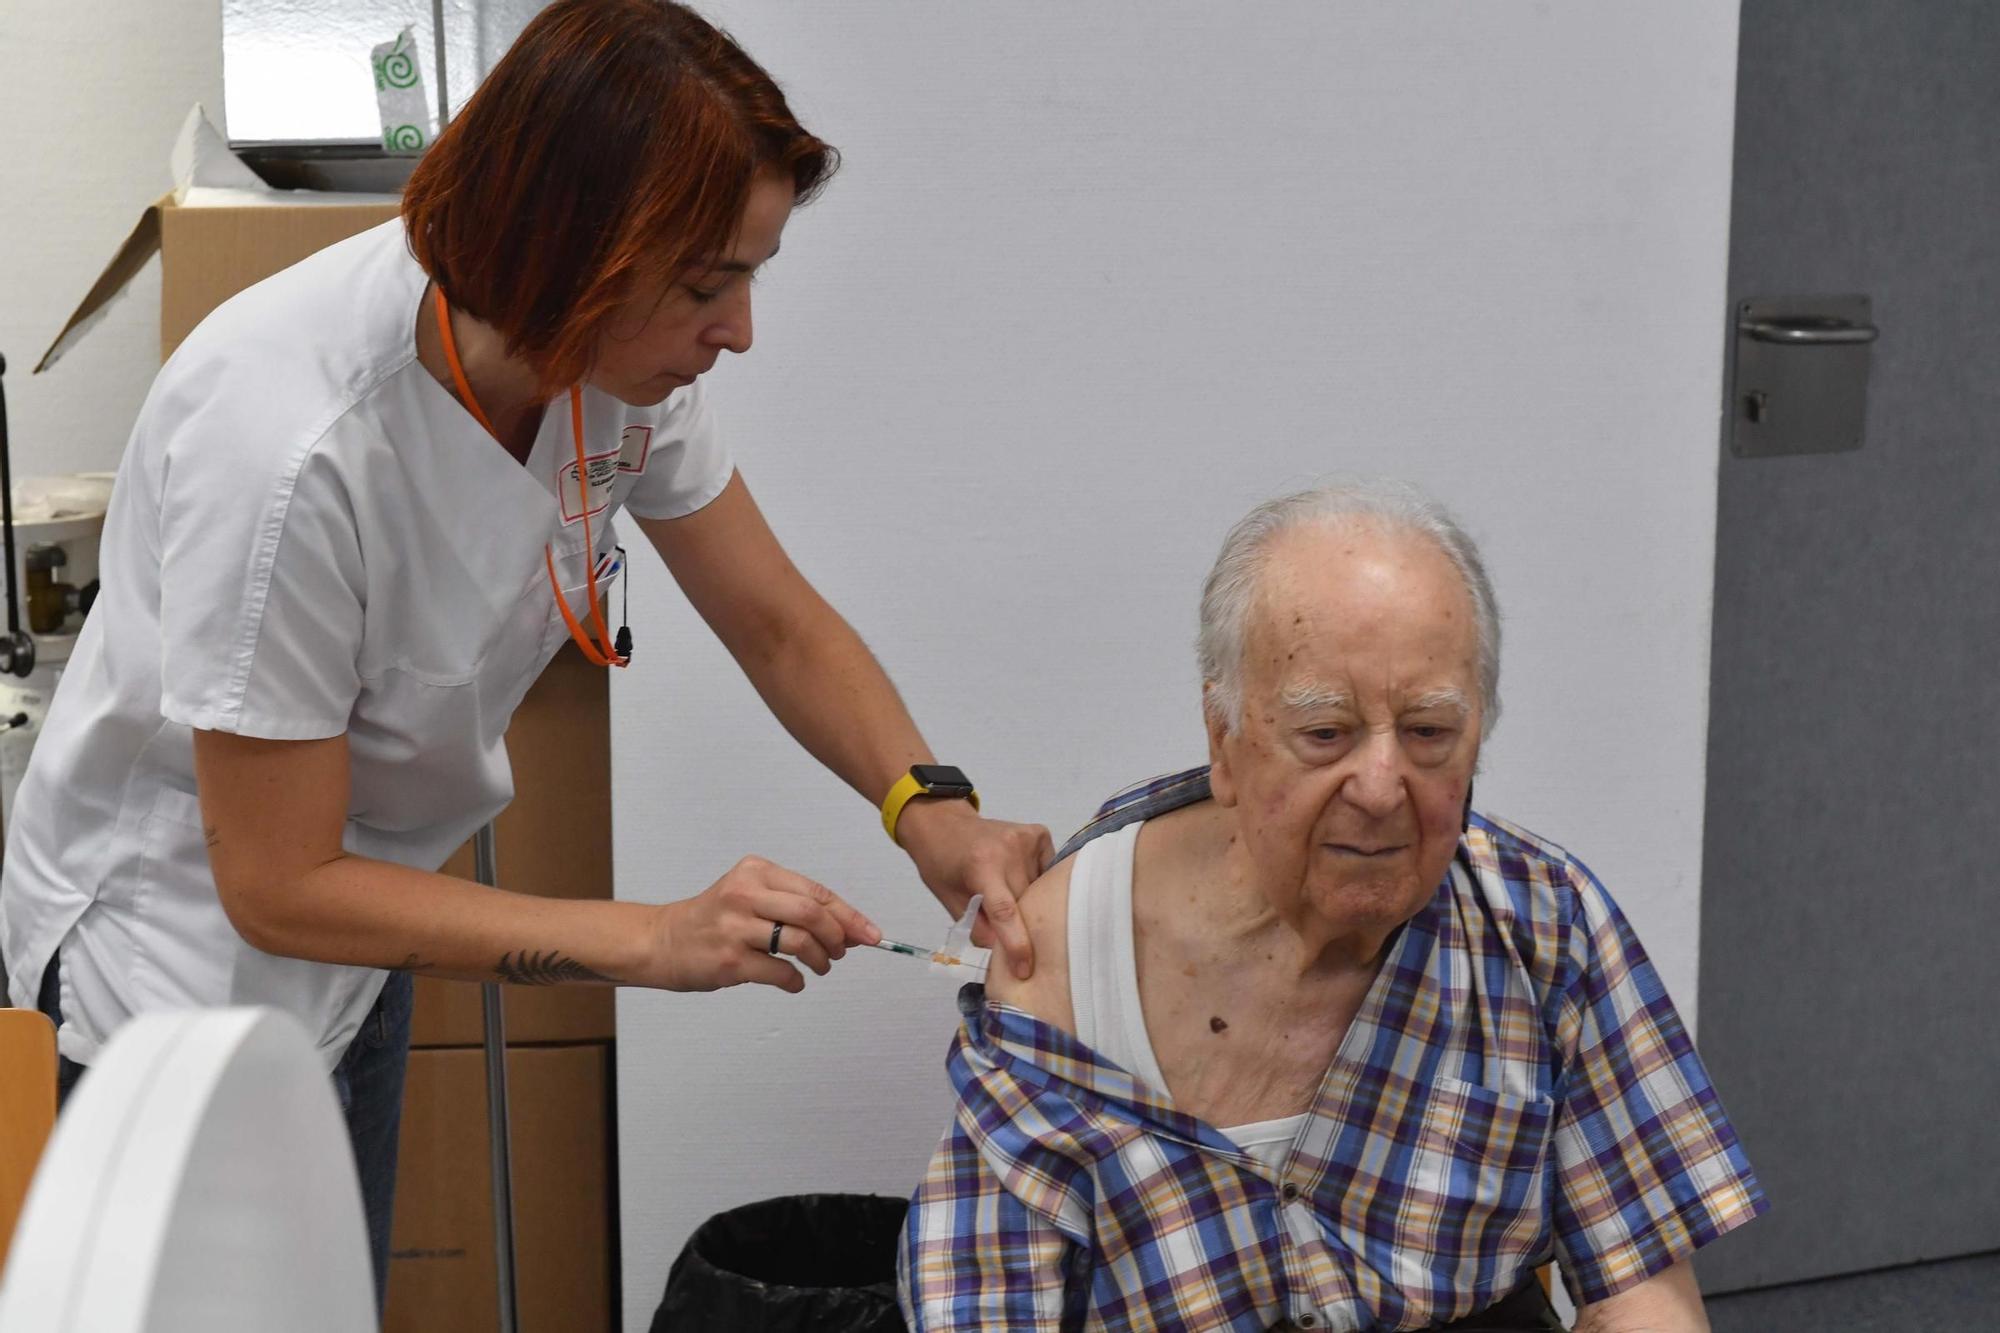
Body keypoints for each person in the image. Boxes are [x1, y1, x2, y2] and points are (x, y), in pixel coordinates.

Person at [0, 0, 1049, 1307]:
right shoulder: (289, 449)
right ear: (575, 258)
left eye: (750, 276)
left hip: (363, 924)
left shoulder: (606, 362)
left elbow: (775, 619)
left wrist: (926, 807)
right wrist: (646, 937)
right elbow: (274, 884)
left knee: (331, 1293)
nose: (739, 332)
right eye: (709, 284)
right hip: (176, 973)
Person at [898, 482, 1766, 1332]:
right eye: (1326, 735)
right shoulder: (1059, 962)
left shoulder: (1540, 921)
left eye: (1429, 732)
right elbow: (985, 1302)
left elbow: (1643, 1289)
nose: (1383, 788)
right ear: (1223, 740)